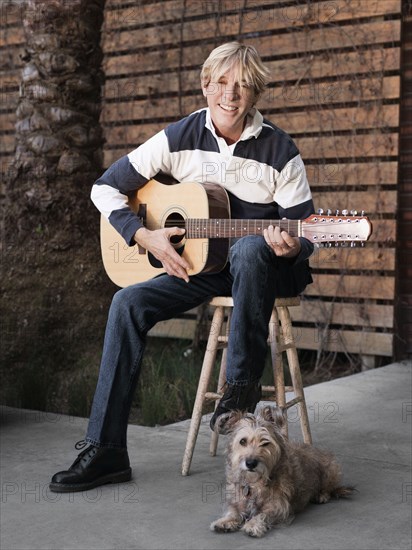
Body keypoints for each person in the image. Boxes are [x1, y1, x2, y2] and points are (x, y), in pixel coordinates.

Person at [50, 42, 314, 493]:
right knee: (126, 303)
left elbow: (305, 230)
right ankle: (106, 449)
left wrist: (290, 245)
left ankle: (239, 391)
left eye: (244, 86)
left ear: (256, 94)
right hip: (202, 266)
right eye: (223, 83)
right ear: (206, 84)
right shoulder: (179, 136)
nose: (231, 95)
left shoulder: (279, 149)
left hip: (263, 269)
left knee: (251, 249)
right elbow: (105, 188)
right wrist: (142, 233)